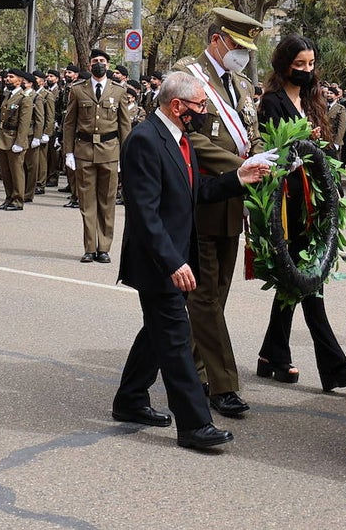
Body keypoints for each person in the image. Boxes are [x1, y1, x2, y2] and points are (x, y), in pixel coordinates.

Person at [112, 71, 274, 450]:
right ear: (177, 105)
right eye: (200, 105)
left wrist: (239, 177)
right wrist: (173, 262)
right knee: (176, 339)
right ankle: (194, 424)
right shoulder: (144, 141)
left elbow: (195, 191)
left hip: (174, 256)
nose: (203, 112)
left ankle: (130, 399)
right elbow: (145, 215)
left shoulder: (178, 137)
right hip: (157, 261)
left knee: (156, 333)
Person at [171, 9, 264, 418]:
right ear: (217, 41)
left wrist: (261, 156)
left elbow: (252, 129)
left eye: (246, 50)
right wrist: (237, 165)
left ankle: (191, 369)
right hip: (202, 195)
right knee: (205, 298)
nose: (241, 56)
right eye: (237, 47)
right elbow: (187, 135)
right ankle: (221, 385)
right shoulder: (186, 75)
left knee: (215, 296)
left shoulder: (241, 83)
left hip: (234, 199)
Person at [255, 34, 346, 392]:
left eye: (311, 64)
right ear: (283, 65)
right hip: (287, 203)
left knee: (298, 278)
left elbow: (326, 149)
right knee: (309, 279)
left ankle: (272, 353)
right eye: (300, 65)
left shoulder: (315, 98)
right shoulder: (272, 102)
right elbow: (273, 152)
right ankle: (335, 366)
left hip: (316, 203)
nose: (306, 71)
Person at [62, 49, 132, 263]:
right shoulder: (77, 90)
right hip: (84, 151)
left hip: (110, 152)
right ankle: (90, 247)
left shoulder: (119, 91)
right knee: (87, 201)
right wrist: (68, 152)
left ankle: (104, 247)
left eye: (102, 61)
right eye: (95, 61)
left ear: (108, 65)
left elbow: (124, 126)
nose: (98, 64)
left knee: (107, 201)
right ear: (89, 65)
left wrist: (125, 156)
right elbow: (69, 123)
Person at [0, 70, 33, 211]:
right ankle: (8, 197)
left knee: (16, 172)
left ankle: (17, 200)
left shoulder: (24, 99)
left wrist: (19, 142)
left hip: (14, 138)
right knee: (6, 172)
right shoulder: (7, 96)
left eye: (11, 77)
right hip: (3, 137)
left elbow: (24, 123)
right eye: (7, 77)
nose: (7, 79)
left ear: (20, 80)